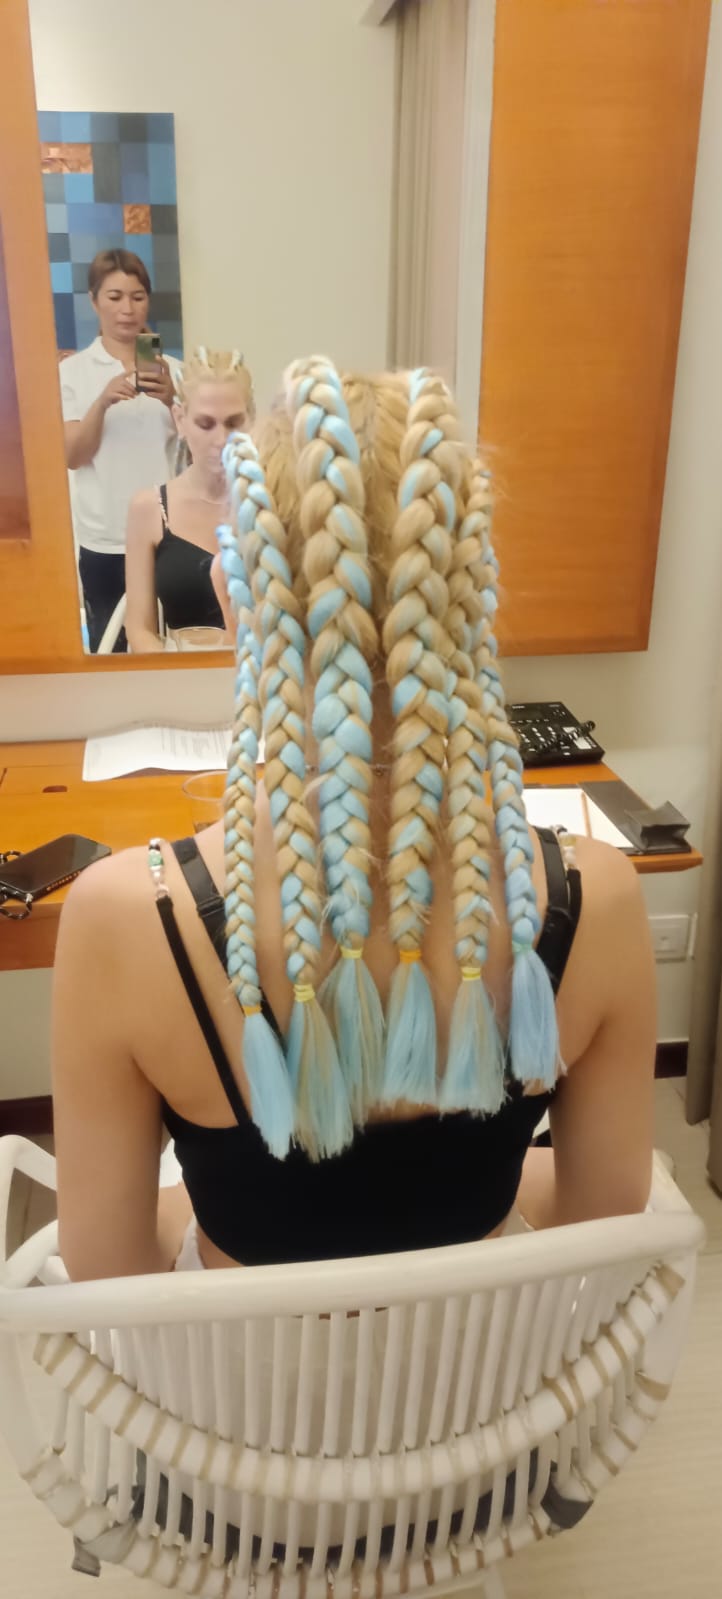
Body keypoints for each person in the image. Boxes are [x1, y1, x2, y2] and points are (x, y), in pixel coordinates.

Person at [52, 358, 655, 1282]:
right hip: (482, 1371)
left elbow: (109, 1273)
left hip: (240, 1378)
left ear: (236, 592)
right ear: (469, 599)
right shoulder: (594, 898)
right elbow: (600, 1228)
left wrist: (207, 1202)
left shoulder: (124, 919)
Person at [60, 249, 179, 652]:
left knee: (172, 647)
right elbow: (72, 457)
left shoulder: (175, 371)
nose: (127, 309)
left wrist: (173, 400)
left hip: (170, 536)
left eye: (137, 296)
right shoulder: (72, 372)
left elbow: (200, 454)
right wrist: (102, 403)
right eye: (114, 297)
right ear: (94, 301)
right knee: (110, 651)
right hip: (105, 539)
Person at [124, 349, 253, 652]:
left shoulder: (278, 503)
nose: (221, 440)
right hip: (182, 670)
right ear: (180, 420)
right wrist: (172, 673)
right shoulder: (150, 509)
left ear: (251, 420)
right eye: (205, 424)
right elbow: (139, 628)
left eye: (233, 423)